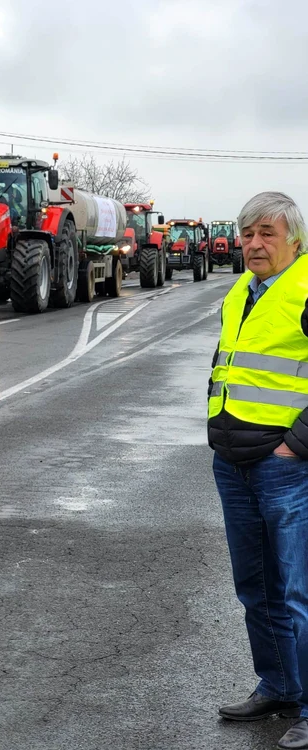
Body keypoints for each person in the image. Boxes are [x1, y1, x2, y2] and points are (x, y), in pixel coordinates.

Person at [208, 192, 308, 750]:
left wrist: (297, 445)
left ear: (294, 239)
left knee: (298, 591)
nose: (252, 244)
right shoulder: (241, 293)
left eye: (266, 233)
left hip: (284, 467)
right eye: (247, 234)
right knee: (257, 588)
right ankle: (279, 687)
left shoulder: (305, 289)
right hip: (235, 463)